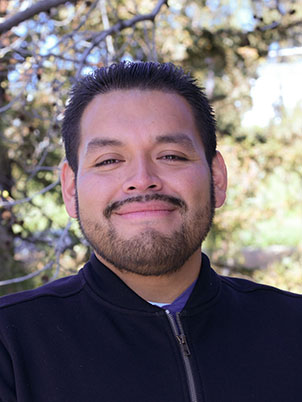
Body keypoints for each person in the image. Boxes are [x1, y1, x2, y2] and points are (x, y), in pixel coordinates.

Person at [0, 61, 301, 402]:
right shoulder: (10, 348)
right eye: (109, 160)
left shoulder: (293, 330)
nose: (142, 179)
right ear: (70, 190)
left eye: (171, 155)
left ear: (217, 177)